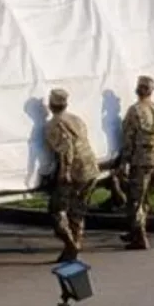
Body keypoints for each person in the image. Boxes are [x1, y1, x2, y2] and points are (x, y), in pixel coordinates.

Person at [43, 88, 100, 262]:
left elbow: (66, 149)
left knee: (57, 210)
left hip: (74, 171)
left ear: (51, 105)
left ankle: (70, 245)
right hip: (91, 167)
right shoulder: (76, 119)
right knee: (78, 210)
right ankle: (75, 246)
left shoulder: (54, 124)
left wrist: (65, 171)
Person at [119, 76, 154, 250]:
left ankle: (140, 237)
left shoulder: (135, 110)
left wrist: (123, 161)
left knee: (135, 200)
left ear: (137, 90)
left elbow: (128, 138)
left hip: (142, 159)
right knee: (146, 198)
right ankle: (135, 231)